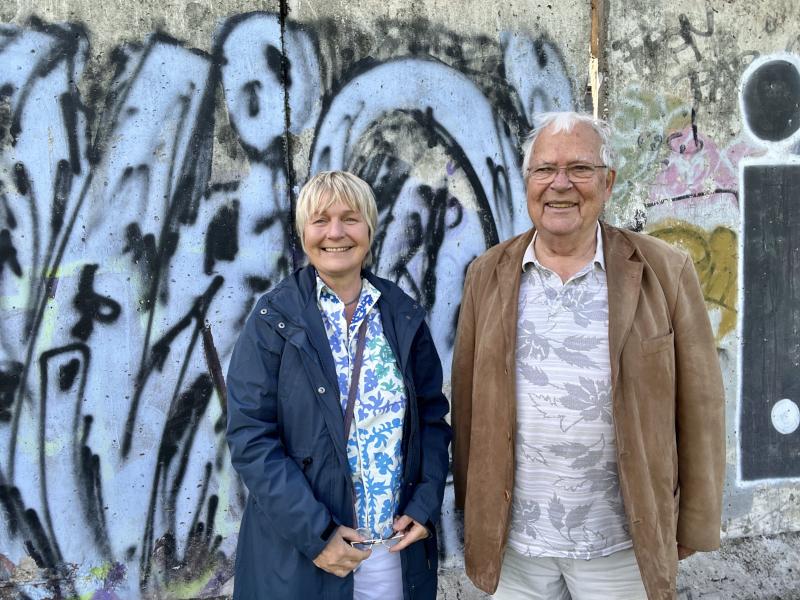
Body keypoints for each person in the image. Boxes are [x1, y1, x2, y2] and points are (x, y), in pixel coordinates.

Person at [452, 112, 725, 600]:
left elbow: (701, 407)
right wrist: (475, 515)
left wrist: (692, 523)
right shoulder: (486, 275)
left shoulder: (665, 270)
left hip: (620, 547)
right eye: (544, 170)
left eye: (579, 168)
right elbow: (469, 409)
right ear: (527, 180)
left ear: (608, 182)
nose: (560, 184)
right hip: (518, 550)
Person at [226, 171, 451, 599]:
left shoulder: (402, 315)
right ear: (302, 232)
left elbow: (433, 421)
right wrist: (317, 535)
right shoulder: (273, 319)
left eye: (350, 218)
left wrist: (424, 505)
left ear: (369, 228)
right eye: (320, 220)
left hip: (392, 557)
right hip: (306, 558)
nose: (335, 233)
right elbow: (251, 437)